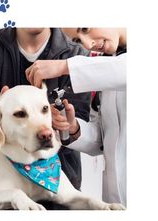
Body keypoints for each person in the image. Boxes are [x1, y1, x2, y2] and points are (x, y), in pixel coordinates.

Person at [0, 28, 92, 201]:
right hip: (3, 177)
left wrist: (70, 126)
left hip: (61, 178)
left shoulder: (77, 53)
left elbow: (80, 122)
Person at [26, 28, 127, 206]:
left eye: (85, 28)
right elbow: (103, 141)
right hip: (116, 200)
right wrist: (73, 127)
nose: (88, 45)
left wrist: (64, 66)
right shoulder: (105, 69)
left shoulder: (113, 68)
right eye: (78, 41)